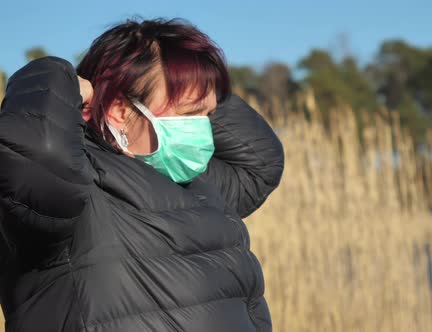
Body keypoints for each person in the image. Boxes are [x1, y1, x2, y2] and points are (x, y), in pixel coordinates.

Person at [0, 18, 284, 332]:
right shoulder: (75, 188)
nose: (203, 130)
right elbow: (37, 151)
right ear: (121, 112)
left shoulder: (196, 182)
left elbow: (258, 163)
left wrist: (198, 78)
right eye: (190, 114)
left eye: (209, 115)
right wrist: (59, 76)